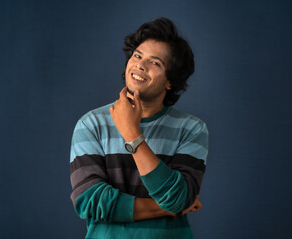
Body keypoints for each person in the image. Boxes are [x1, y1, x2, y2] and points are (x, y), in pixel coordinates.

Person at [70, 17, 208, 238]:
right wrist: (166, 207)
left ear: (170, 81)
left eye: (155, 63)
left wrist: (132, 134)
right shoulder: (91, 124)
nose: (140, 65)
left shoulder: (191, 129)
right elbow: (92, 202)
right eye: (137, 56)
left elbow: (177, 198)